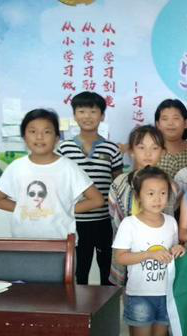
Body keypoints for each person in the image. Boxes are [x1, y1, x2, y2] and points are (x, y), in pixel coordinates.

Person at [112, 166, 185, 336]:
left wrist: (178, 249)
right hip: (140, 295)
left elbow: (173, 250)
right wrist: (146, 255)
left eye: (163, 193)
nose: (157, 199)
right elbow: (121, 257)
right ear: (138, 196)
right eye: (150, 193)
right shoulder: (130, 224)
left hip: (165, 294)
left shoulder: (171, 222)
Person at [109, 125, 173, 336]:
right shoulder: (119, 183)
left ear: (162, 152)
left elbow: (171, 224)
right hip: (129, 262)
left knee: (159, 330)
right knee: (138, 322)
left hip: (160, 270)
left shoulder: (170, 184)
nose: (148, 153)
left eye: (154, 147)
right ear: (131, 150)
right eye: (141, 147)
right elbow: (115, 221)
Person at [0, 109, 103, 238]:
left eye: (47, 132)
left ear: (56, 138)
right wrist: (26, 208)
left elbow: (97, 200)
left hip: (60, 242)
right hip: (22, 240)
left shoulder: (68, 168)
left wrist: (63, 210)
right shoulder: (16, 167)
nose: (39, 137)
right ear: (24, 137)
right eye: (33, 131)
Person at [57, 91, 123, 285]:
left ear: (102, 116)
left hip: (104, 222)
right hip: (74, 222)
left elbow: (118, 185)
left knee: (107, 270)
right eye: (82, 111)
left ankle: (108, 304)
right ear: (74, 115)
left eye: (93, 111)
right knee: (79, 271)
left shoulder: (111, 149)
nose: (87, 116)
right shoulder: (64, 149)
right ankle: (78, 305)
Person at [155, 99, 187, 178]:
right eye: (165, 119)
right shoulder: (151, 152)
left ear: (186, 123)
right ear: (158, 124)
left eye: (176, 118)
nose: (170, 123)